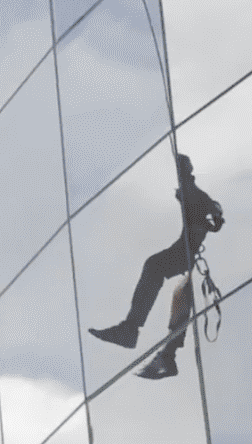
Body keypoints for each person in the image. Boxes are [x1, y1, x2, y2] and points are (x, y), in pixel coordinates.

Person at [87, 153, 224, 379]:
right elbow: (211, 207)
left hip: (185, 252)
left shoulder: (192, 191)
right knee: (177, 290)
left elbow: (207, 204)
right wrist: (214, 216)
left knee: (154, 267)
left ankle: (132, 330)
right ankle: (164, 352)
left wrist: (213, 215)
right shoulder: (193, 192)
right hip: (186, 250)